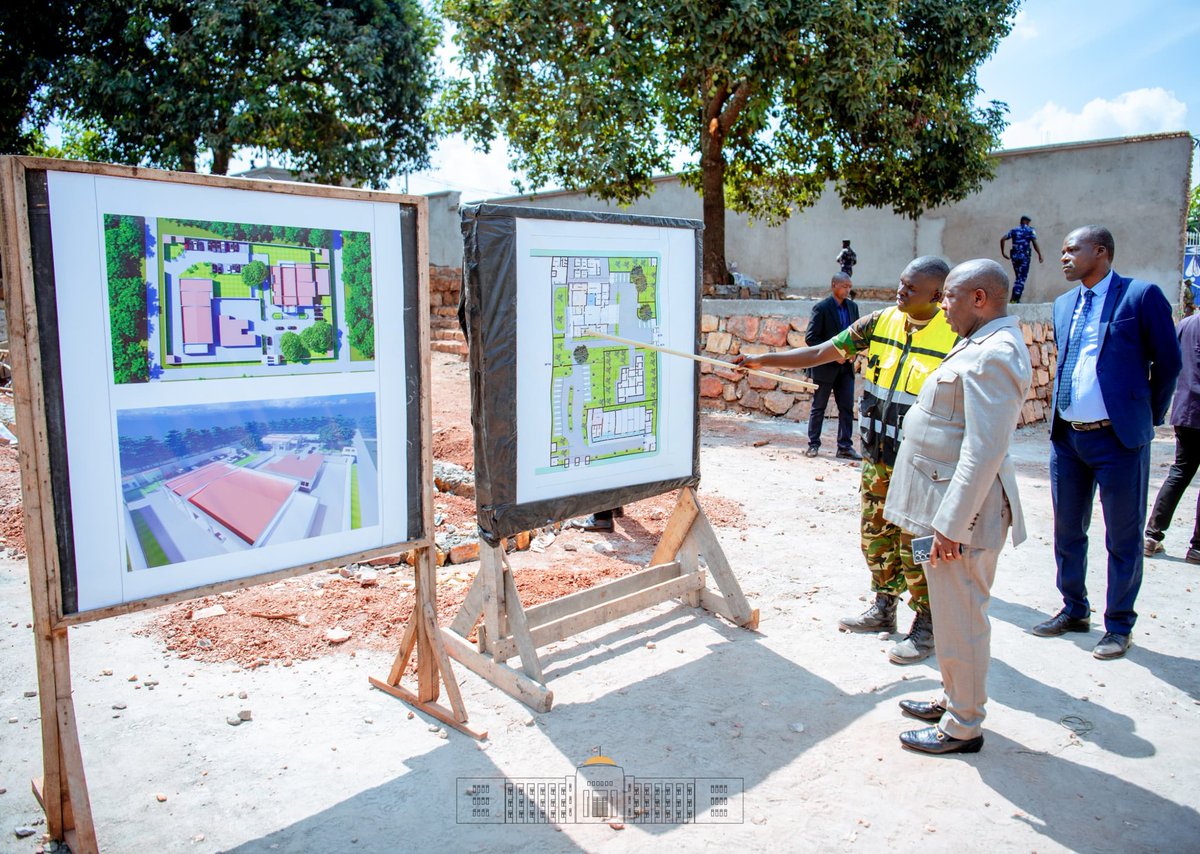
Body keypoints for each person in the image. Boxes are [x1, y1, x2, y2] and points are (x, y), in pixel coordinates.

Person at [735, 257, 958, 663]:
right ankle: (883, 608)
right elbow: (823, 350)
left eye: (911, 288)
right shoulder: (880, 322)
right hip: (877, 456)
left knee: (917, 547)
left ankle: (927, 624)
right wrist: (762, 360)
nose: (900, 292)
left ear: (938, 296)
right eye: (900, 283)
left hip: (924, 465)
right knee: (876, 538)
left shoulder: (958, 334)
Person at [885, 259, 1032, 754]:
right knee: (949, 615)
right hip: (945, 509)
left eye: (949, 296)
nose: (941, 304)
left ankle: (963, 726)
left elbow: (983, 450)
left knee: (964, 617)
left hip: (962, 519)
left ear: (979, 299)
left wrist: (952, 526)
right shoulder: (979, 342)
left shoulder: (998, 353)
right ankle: (954, 698)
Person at [1032, 226, 1181, 660]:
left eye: (1071, 250)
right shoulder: (1064, 304)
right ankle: (1074, 609)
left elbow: (1168, 363)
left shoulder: (1140, 296)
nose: (1063, 257)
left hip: (1118, 441)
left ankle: (1118, 625)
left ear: (1100, 251)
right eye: (1061, 251)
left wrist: (1144, 417)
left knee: (1123, 536)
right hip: (1069, 440)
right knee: (1067, 531)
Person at [1145, 313, 1200, 563]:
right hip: (1189, 409)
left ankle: (1152, 535)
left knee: (1179, 472)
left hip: (1186, 409)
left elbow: (1167, 361)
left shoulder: (1187, 324)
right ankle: (1197, 548)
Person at [804, 272, 860, 460]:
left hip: (846, 368)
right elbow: (811, 338)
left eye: (850, 286)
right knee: (818, 407)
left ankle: (844, 447)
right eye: (845, 286)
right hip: (825, 367)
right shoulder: (821, 308)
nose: (848, 290)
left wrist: (853, 354)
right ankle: (813, 445)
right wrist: (834, 355)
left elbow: (856, 336)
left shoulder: (853, 307)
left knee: (846, 407)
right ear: (834, 285)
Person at [999, 215, 1043, 303]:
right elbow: (1034, 243)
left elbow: (1002, 239)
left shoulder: (1014, 230)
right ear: (1026, 222)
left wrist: (1003, 253)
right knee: (1021, 279)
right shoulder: (1030, 230)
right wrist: (1040, 255)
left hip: (1015, 257)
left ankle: (1015, 298)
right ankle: (1015, 299)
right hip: (1024, 258)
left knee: (1018, 278)